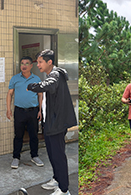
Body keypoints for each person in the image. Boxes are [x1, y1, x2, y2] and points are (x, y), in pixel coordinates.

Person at [28, 49, 77, 195]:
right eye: (37, 62)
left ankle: (64, 189)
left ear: (49, 62)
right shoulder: (52, 75)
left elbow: (48, 85)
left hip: (57, 124)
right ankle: (57, 179)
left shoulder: (56, 74)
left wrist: (32, 86)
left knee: (58, 156)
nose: (38, 65)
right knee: (52, 154)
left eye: (40, 62)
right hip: (50, 122)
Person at [6, 56, 44, 170]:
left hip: (33, 111)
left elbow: (40, 95)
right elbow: (10, 94)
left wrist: (40, 110)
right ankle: (16, 157)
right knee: (18, 135)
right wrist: (8, 109)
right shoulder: (15, 78)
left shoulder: (36, 79)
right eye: (22, 63)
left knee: (34, 135)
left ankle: (34, 156)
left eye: (27, 63)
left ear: (31, 66)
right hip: (19, 111)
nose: (24, 65)